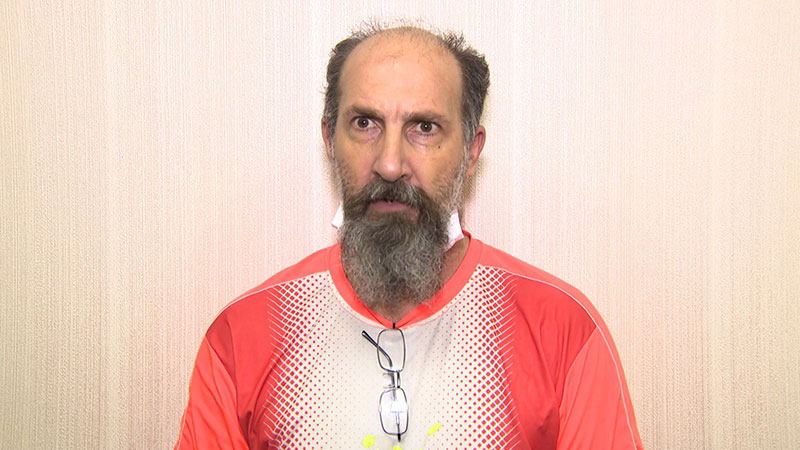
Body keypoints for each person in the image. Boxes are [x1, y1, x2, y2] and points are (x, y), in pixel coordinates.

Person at [175, 23, 644, 450]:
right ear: (330, 141)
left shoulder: (563, 332)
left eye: (424, 127)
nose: (390, 163)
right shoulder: (243, 338)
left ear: (470, 151)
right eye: (365, 123)